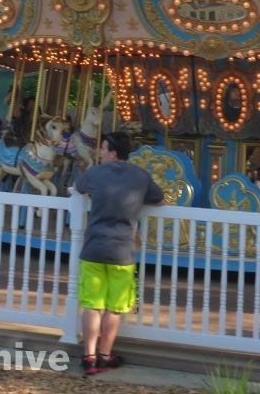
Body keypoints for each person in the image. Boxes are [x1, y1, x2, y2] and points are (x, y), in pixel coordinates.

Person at [72, 132, 165, 375]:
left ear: (113, 153)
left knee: (92, 305)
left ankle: (89, 357)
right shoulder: (141, 176)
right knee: (114, 307)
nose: (100, 153)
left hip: (93, 247)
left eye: (103, 149)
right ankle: (105, 356)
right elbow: (160, 200)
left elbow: (76, 187)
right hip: (122, 251)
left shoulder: (95, 173)